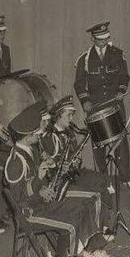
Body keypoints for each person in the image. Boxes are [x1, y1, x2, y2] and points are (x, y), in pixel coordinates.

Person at [4, 102, 118, 257]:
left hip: (41, 201)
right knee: (71, 223)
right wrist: (39, 182)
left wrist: (48, 174)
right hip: (29, 212)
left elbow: (36, 182)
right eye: (36, 133)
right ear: (27, 135)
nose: (39, 135)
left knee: (82, 207)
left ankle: (90, 249)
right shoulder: (15, 162)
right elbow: (18, 196)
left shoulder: (30, 149)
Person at [74, 22, 130, 188]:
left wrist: (121, 90)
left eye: (106, 38)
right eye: (99, 39)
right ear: (93, 39)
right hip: (94, 105)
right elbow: (79, 83)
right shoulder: (85, 59)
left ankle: (126, 176)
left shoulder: (117, 54)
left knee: (120, 139)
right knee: (99, 143)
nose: (103, 42)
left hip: (115, 104)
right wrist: (85, 101)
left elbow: (125, 77)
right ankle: (103, 179)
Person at [40, 94, 116, 237]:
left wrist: (76, 160)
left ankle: (105, 223)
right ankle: (95, 230)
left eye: (72, 115)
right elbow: (46, 161)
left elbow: (73, 156)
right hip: (59, 179)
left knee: (104, 180)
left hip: (73, 173)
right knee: (94, 192)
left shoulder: (69, 133)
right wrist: (59, 165)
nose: (71, 119)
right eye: (68, 115)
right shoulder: (49, 136)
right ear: (58, 116)